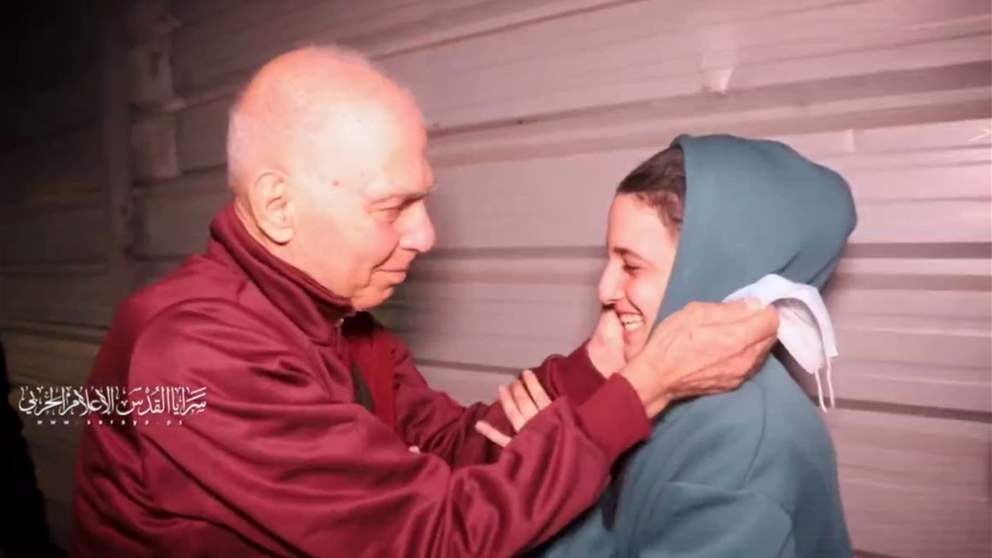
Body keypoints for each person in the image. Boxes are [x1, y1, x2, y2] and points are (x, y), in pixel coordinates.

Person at [70, 47, 779, 557]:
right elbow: (432, 534)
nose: (425, 236)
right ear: (278, 207)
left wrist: (596, 368)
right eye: (393, 207)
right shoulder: (197, 352)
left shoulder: (340, 322)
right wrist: (642, 390)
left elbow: (452, 449)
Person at [523, 135, 855, 557]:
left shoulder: (742, 446)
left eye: (631, 266)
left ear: (711, 272)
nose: (605, 289)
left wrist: (545, 503)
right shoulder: (678, 394)